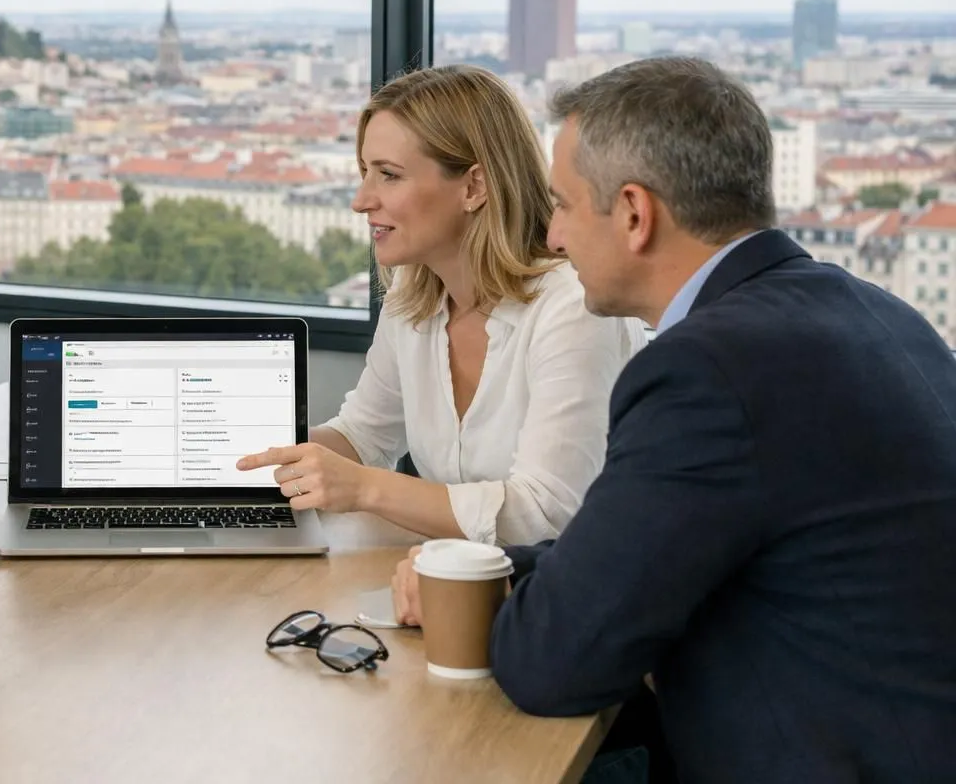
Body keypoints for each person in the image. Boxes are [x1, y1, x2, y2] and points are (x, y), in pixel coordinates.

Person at [396, 57, 956, 782]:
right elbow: (644, 554)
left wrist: (485, 600)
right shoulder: (872, 312)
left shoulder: (709, 370)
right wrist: (501, 573)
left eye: (561, 205)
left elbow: (551, 667)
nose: (555, 238)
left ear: (634, 213)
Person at [238, 66, 643, 544]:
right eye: (364, 173)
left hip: (561, 597)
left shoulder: (572, 308)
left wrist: (364, 488)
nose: (361, 200)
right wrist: (243, 457)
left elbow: (543, 514)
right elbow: (364, 436)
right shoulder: (415, 293)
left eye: (388, 175)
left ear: (474, 187)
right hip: (447, 583)